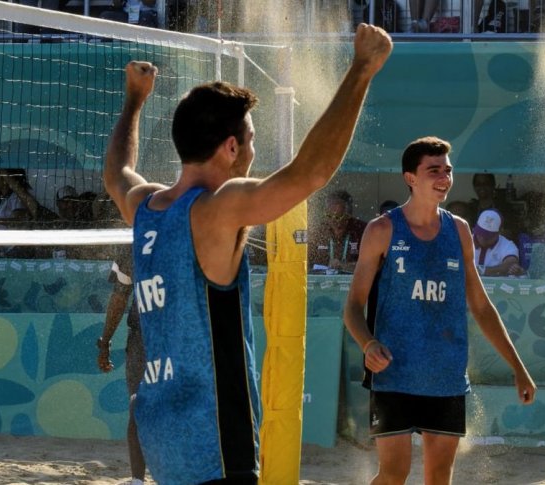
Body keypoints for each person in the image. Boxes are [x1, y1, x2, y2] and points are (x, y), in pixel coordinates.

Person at [102, 24, 392, 484]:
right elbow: (311, 172)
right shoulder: (218, 209)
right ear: (231, 146)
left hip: (163, 437)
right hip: (215, 442)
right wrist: (361, 70)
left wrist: (134, 100)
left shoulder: (146, 208)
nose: (254, 151)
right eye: (251, 140)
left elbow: (117, 171)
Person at [343, 136, 536, 485]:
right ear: (410, 178)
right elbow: (353, 307)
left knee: (438, 477)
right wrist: (368, 344)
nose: (444, 178)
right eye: (434, 170)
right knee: (393, 473)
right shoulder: (383, 229)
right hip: (394, 375)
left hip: (446, 376)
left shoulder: (460, 231)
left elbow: (481, 305)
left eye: (447, 170)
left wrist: (518, 368)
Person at [95, 230, 146, 485]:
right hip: (168, 337)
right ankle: (139, 479)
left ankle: (138, 480)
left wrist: (105, 343)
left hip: (148, 338)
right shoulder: (187, 232)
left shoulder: (136, 239)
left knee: (138, 407)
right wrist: (104, 342)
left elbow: (119, 296)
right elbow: (120, 295)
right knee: (142, 407)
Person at [308, 190, 367, 274]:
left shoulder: (362, 230)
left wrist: (343, 266)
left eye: (338, 217)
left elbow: (371, 266)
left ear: (348, 215)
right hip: (321, 284)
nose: (333, 221)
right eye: (329, 216)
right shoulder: (318, 232)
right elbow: (305, 264)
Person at [472, 209, 524, 277]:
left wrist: (481, 270)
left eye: (487, 236)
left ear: (499, 232)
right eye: (480, 232)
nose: (482, 237)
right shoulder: (464, 240)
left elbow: (510, 264)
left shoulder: (507, 245)